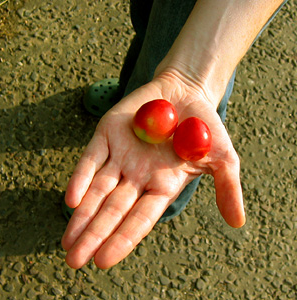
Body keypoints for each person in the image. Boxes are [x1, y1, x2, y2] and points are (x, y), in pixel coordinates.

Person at [61, 0, 288, 269]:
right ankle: (126, 90)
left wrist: (194, 77)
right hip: (153, 106)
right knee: (149, 27)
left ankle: (166, 202)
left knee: (169, 38)